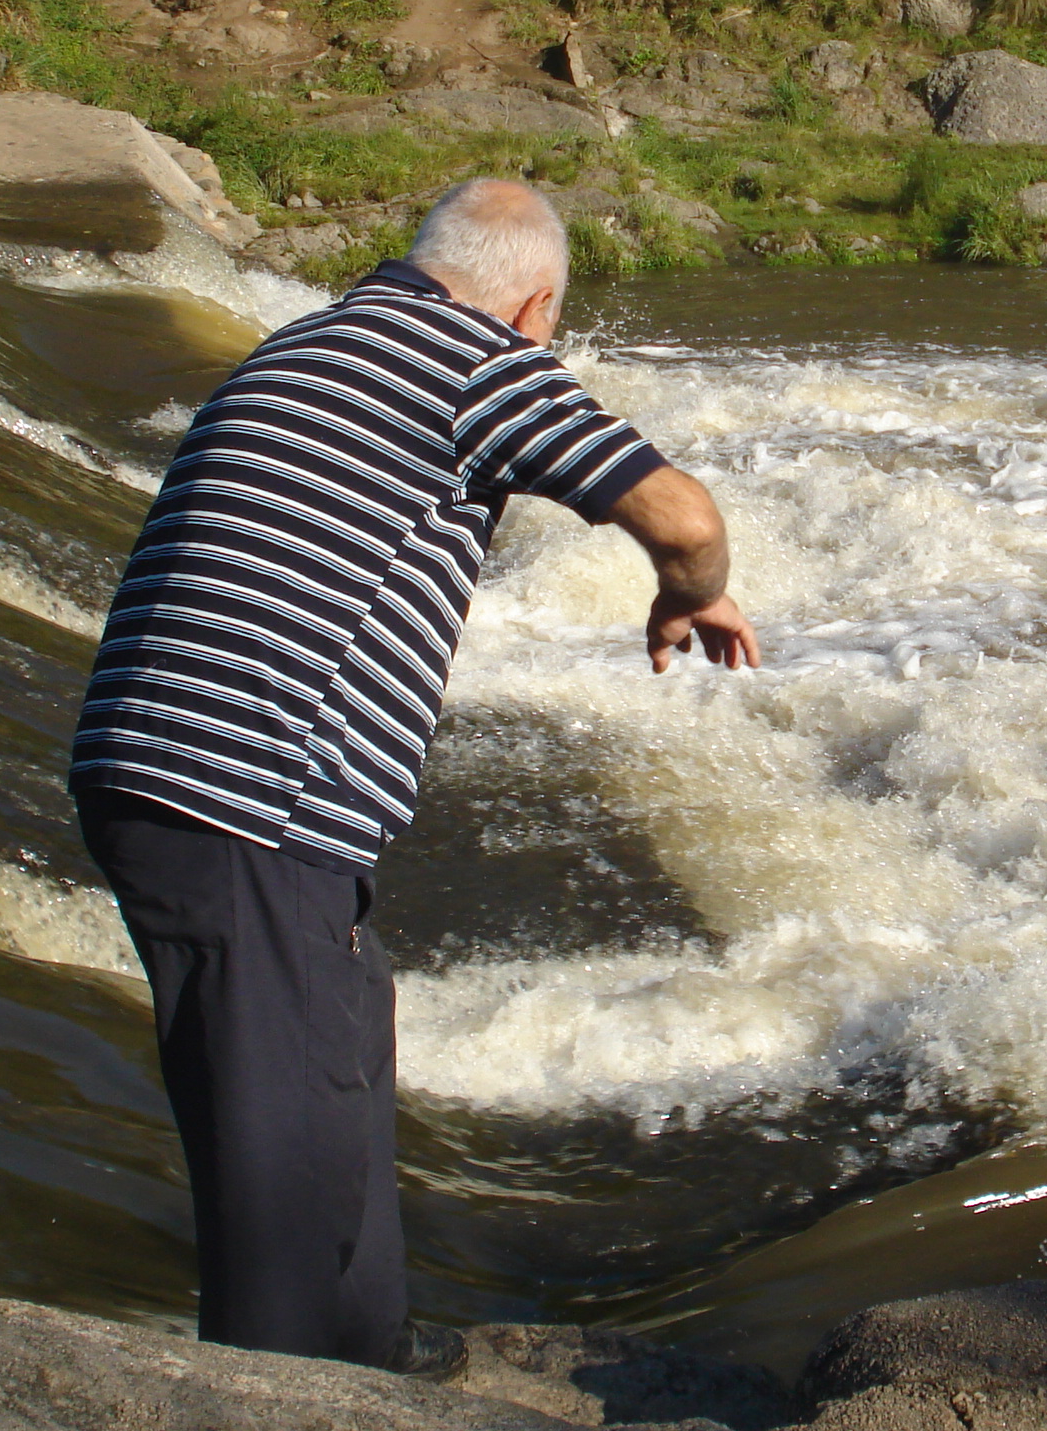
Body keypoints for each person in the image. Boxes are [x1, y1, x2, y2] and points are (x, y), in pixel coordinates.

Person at [70, 177, 759, 1375]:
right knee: (281, 1174)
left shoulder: (308, 340)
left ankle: (369, 1373)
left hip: (169, 768)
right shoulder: (474, 358)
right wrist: (692, 593)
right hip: (251, 788)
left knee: (335, 1076)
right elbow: (683, 517)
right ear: (533, 304)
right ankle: (282, 1393)